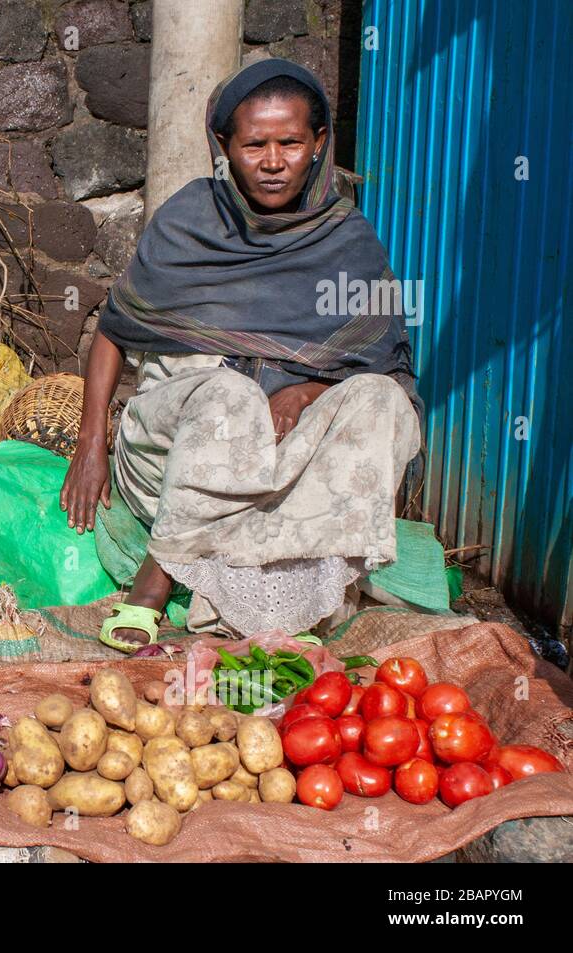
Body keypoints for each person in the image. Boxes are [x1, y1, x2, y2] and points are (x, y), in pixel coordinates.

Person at [60, 58, 421, 650]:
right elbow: (114, 330)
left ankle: (284, 593)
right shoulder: (191, 218)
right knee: (231, 396)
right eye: (254, 144)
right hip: (179, 443)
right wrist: (89, 444)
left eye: (291, 142)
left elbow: (385, 366)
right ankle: (157, 579)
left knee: (383, 403)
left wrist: (309, 390)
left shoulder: (347, 239)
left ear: (319, 143)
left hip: (290, 460)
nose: (274, 161)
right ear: (223, 144)